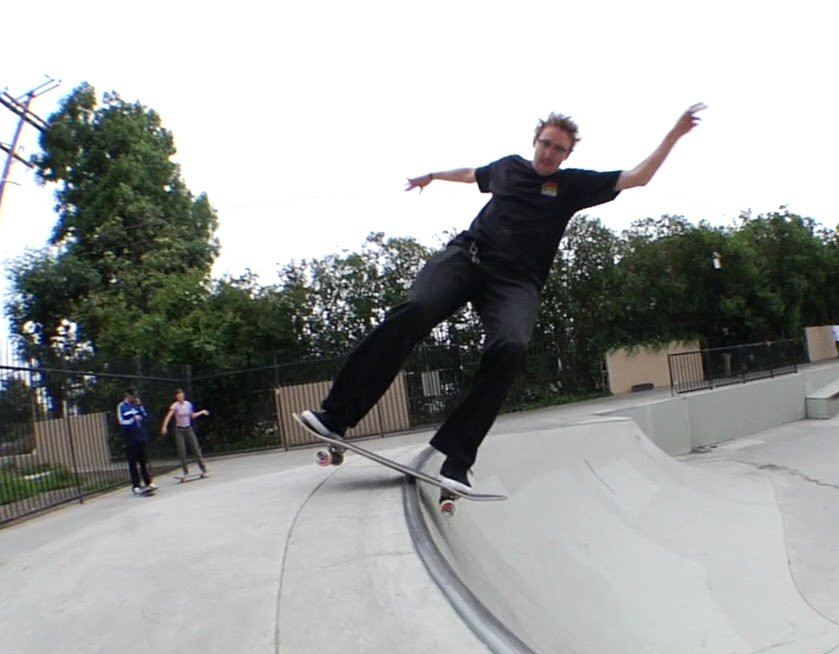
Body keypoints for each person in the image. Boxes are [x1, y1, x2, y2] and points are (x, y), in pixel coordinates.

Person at [299, 104, 706, 489]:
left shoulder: (571, 186)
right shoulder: (508, 168)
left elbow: (637, 177)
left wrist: (674, 134)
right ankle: (336, 416)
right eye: (545, 143)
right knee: (415, 311)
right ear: (536, 142)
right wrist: (433, 176)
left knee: (510, 347)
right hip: (466, 258)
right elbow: (470, 173)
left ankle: (457, 456)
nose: (549, 153)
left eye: (558, 149)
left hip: (516, 283)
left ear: (567, 155)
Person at [160, 388, 209, 477]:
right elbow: (168, 416)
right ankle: (185, 472)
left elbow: (192, 415)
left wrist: (202, 412)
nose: (180, 397)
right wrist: (164, 427)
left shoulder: (188, 404)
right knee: (182, 451)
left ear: (183, 395)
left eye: (181, 395)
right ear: (176, 397)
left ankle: (203, 469)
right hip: (179, 430)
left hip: (188, 428)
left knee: (196, 448)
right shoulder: (175, 406)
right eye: (178, 396)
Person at [117, 388, 156, 494]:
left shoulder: (137, 405)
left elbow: (146, 417)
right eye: (132, 396)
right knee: (133, 463)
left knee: (143, 461)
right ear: (127, 395)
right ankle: (136, 485)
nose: (134, 398)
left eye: (135, 396)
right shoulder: (122, 406)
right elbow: (121, 422)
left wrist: (140, 407)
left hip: (141, 436)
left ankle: (148, 482)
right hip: (130, 438)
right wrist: (132, 420)